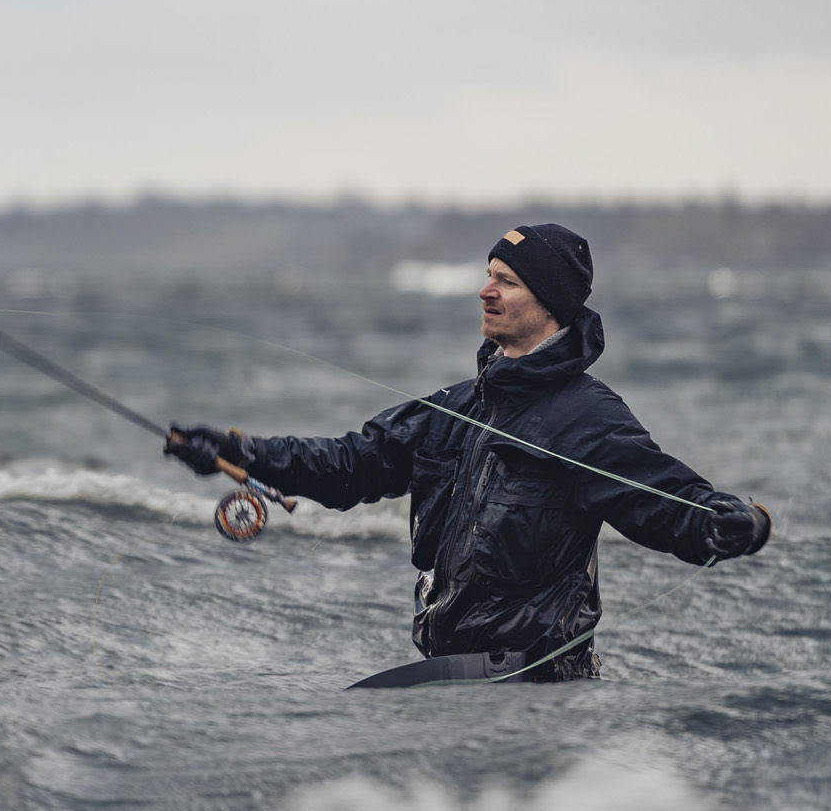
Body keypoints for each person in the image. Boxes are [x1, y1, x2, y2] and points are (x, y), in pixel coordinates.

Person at [165, 223, 770, 682]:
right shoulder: (456, 409)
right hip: (447, 680)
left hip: (540, 688)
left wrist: (735, 521)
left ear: (550, 303)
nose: (486, 291)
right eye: (488, 276)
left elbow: (666, 502)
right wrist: (239, 452)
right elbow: (350, 463)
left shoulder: (588, 417)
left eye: (506, 282)